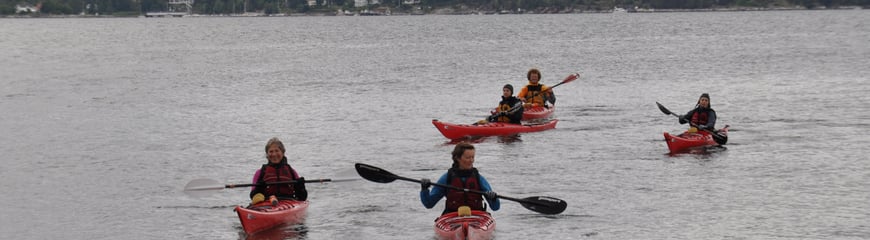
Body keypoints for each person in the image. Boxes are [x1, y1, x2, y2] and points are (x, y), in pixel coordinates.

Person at [420, 142, 500, 215]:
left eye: (473, 157)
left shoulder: (478, 178)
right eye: (468, 157)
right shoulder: (446, 178)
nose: (471, 160)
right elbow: (429, 204)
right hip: (453, 216)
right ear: (457, 158)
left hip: (477, 216)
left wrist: (493, 198)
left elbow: (495, 207)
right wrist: (424, 189)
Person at [249, 137, 307, 205]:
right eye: (271, 151)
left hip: (289, 202)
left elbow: (302, 197)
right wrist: (259, 188)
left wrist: (301, 186)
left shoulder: (291, 171)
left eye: (277, 151)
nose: (274, 154)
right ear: (267, 154)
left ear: (282, 152)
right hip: (267, 203)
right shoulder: (260, 172)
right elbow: (252, 196)